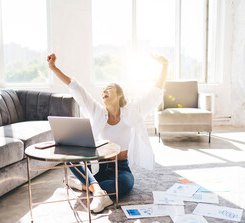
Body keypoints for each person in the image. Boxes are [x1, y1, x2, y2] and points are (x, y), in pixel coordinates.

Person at [47, 53, 168, 213]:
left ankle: (86, 185)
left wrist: (165, 66)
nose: (104, 90)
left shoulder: (132, 111)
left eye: (109, 88)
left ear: (119, 95)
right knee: (70, 158)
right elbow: (76, 88)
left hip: (121, 167)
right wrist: (53, 68)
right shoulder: (97, 111)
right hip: (99, 166)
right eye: (103, 89)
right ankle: (99, 192)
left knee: (126, 184)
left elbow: (155, 92)